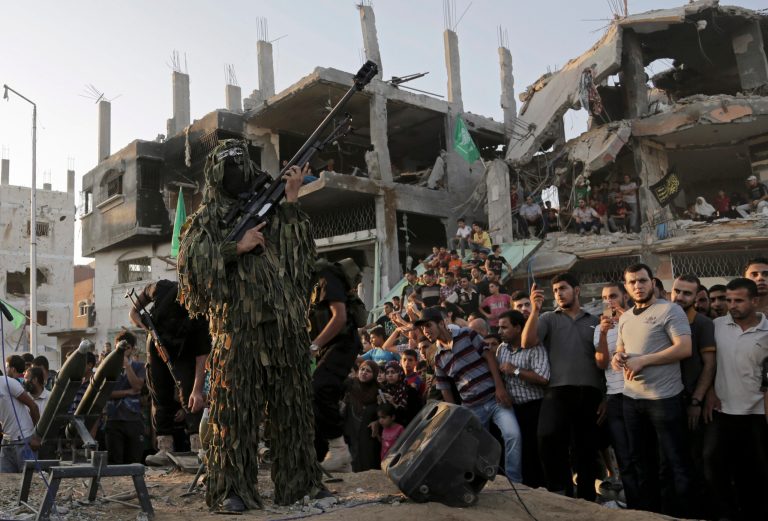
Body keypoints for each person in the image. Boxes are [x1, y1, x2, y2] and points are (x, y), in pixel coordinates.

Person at [177, 139, 322, 510]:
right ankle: (232, 490)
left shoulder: (271, 208)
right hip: (237, 332)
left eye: (241, 165)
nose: (237, 174)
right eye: (229, 169)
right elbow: (190, 272)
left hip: (285, 327)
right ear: (215, 174)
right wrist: (234, 248)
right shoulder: (206, 220)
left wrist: (290, 202)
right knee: (234, 416)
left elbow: (300, 261)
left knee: (292, 413)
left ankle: (300, 483)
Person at [612, 263, 693, 517]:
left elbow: (684, 348)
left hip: (664, 400)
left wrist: (644, 360)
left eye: (642, 280)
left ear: (652, 282)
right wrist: (618, 358)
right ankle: (648, 514)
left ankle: (681, 514)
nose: (638, 286)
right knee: (641, 462)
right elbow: (620, 348)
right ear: (626, 287)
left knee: (673, 463)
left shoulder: (670, 310)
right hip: (632, 400)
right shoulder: (624, 317)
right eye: (632, 282)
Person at [416, 307, 522, 483]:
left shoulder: (467, 334)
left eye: (428, 325)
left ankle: (515, 481)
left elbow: (489, 357)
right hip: (472, 408)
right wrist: (456, 414)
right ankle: (488, 485)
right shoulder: (437, 357)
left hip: (494, 399)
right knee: (477, 449)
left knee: (513, 435)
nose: (426, 331)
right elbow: (445, 390)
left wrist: (500, 387)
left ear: (442, 323)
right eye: (423, 328)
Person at [522, 273, 602, 500]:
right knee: (547, 437)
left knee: (586, 448)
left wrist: (605, 396)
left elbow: (603, 362)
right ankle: (560, 491)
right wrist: (535, 310)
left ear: (577, 290)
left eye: (563, 288)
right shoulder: (548, 318)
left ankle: (587, 499)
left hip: (590, 391)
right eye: (555, 290)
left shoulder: (594, 321)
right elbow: (527, 342)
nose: (558, 293)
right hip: (558, 390)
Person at [704, 278, 768, 520]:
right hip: (722, 411)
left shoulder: (767, 331)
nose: (732, 305)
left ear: (754, 300)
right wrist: (709, 390)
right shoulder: (717, 325)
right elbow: (708, 364)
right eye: (729, 300)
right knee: (713, 466)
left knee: (755, 474)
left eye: (738, 300)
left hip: (757, 414)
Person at [128, 279, 210, 466]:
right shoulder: (161, 288)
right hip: (156, 344)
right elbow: (134, 311)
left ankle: (198, 447)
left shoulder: (200, 314)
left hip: (184, 352)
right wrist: (141, 324)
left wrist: (197, 390)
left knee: (189, 394)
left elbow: (201, 358)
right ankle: (164, 448)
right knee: (159, 393)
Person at [496, 310, 549, 488]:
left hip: (535, 407)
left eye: (504, 327)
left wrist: (516, 371)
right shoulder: (501, 349)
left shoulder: (535, 347)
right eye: (499, 327)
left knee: (536, 451)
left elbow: (543, 378)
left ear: (518, 328)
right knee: (520, 451)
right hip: (512, 409)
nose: (500, 331)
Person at [594, 282, 631, 500]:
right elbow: (601, 363)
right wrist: (603, 334)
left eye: (614, 296)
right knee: (621, 447)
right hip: (615, 394)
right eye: (606, 297)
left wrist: (624, 318)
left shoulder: (635, 319)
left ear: (624, 296)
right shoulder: (600, 328)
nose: (610, 301)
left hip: (639, 392)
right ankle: (628, 493)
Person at [105, 330, 146, 466]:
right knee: (115, 462)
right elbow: (107, 393)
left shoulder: (139, 367)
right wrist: (128, 392)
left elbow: (138, 386)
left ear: (132, 349)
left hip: (133, 420)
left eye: (127, 347)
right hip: (114, 419)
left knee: (133, 461)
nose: (123, 350)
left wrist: (127, 366)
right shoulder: (109, 367)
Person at [343, 361, 381, 472]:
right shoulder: (349, 384)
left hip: (368, 433)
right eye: (362, 369)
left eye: (368, 371)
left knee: (367, 462)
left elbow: (385, 412)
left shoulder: (379, 390)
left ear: (374, 374)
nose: (364, 373)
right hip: (349, 429)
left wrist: (378, 422)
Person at [0, 372, 40, 473]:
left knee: (30, 481)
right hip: (6, 442)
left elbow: (33, 406)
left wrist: (36, 436)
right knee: (6, 483)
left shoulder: (7, 383)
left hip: (24, 439)